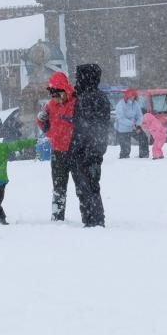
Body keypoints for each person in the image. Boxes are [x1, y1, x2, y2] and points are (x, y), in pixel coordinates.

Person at [70, 63, 111, 227]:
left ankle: (92, 219)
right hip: (97, 146)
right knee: (93, 183)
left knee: (86, 186)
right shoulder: (101, 98)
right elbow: (102, 124)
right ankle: (95, 218)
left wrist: (76, 148)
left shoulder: (84, 99)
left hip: (85, 148)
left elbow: (81, 127)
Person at [38, 72, 76, 221]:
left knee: (81, 187)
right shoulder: (50, 106)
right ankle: (57, 216)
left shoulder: (75, 103)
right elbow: (45, 126)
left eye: (58, 95)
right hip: (58, 151)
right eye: (53, 96)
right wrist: (42, 121)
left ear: (65, 90)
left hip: (74, 151)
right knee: (58, 188)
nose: (56, 99)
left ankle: (88, 215)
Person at [114, 88, 149, 158]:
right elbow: (121, 119)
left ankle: (144, 155)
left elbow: (140, 116)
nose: (133, 98)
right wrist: (133, 124)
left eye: (134, 97)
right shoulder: (120, 105)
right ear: (127, 96)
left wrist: (138, 125)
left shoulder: (135, 104)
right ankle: (124, 161)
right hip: (122, 129)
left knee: (143, 138)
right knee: (125, 150)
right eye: (131, 96)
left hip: (134, 128)